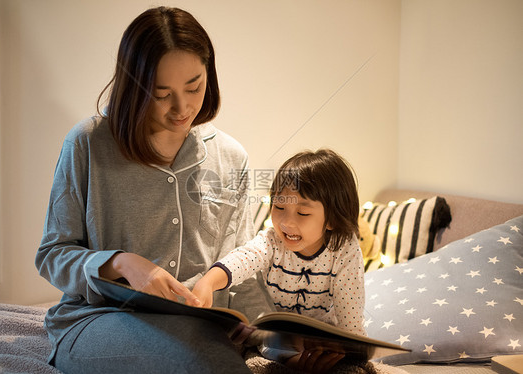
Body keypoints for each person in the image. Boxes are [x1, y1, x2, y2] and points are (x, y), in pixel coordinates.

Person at [35, 6, 273, 374]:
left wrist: (276, 343)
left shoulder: (231, 157)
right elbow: (52, 254)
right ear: (134, 86)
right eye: (162, 94)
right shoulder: (87, 144)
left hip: (203, 328)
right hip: (98, 318)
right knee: (200, 361)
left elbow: (242, 268)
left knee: (209, 355)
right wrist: (121, 263)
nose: (183, 107)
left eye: (194, 86)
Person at [193, 149, 367, 372]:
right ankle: (292, 362)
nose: (286, 222)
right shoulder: (271, 241)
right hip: (278, 333)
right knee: (267, 338)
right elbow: (244, 258)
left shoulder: (344, 249)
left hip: (322, 334)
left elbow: (350, 313)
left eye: (302, 213)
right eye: (279, 207)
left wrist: (355, 351)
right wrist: (208, 282)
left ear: (332, 219)